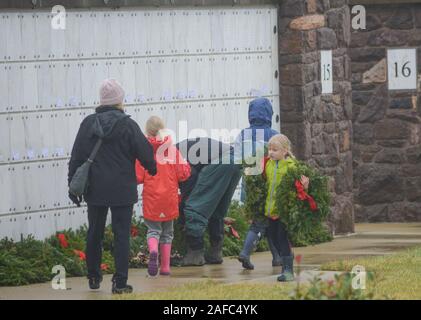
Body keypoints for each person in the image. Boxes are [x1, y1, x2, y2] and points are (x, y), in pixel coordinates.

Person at [68, 79, 157, 294]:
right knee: (121, 235)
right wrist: (152, 168)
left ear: (101, 100)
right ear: (120, 100)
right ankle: (119, 282)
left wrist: (72, 185)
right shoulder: (128, 125)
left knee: (95, 233)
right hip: (122, 190)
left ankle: (93, 277)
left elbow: (76, 156)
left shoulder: (88, 123)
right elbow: (145, 153)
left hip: (95, 189)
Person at [135, 116, 191, 276]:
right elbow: (184, 173)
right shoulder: (172, 150)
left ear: (147, 131)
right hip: (170, 198)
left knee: (153, 230)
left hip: (152, 199)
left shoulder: (143, 151)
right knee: (167, 233)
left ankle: (153, 251)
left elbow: (137, 177)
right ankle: (165, 267)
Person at [176, 137, 242, 266]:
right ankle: (215, 253)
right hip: (236, 161)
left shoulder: (171, 157)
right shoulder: (176, 150)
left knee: (194, 208)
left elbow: (190, 181)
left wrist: (183, 209)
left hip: (222, 161)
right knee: (216, 209)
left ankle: (195, 255)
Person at [234, 97, 281, 270]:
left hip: (250, 186)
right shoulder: (274, 135)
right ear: (269, 114)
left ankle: (277, 258)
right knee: (263, 222)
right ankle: (245, 253)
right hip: (270, 186)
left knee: (266, 222)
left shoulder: (242, 135)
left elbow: (237, 159)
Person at [263, 134, 309, 282]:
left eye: (275, 149)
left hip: (284, 210)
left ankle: (288, 270)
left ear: (285, 151)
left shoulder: (291, 166)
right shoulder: (268, 164)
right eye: (269, 149)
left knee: (282, 238)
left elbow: (300, 186)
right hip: (270, 210)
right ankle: (287, 259)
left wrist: (305, 186)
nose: (271, 152)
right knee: (274, 239)